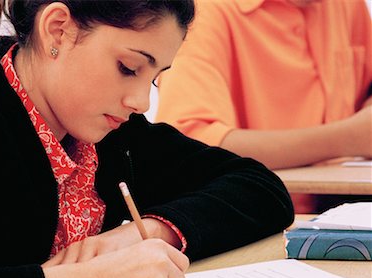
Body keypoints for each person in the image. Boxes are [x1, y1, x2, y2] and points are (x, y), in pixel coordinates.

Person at [0, 0, 294, 278]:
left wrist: (144, 233)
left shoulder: (109, 130)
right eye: (128, 68)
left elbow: (260, 187)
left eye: (152, 79)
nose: (141, 102)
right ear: (58, 31)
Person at [156, 0, 372, 214]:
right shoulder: (205, 14)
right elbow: (188, 148)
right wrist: (348, 138)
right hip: (257, 223)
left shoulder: (347, 5)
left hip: (349, 213)